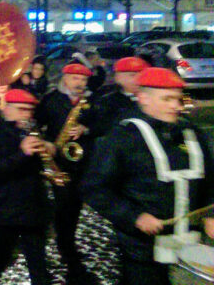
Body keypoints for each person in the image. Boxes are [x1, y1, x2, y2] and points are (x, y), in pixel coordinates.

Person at [83, 67, 214, 285]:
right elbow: (94, 188)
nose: (176, 106)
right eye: (167, 99)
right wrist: (134, 216)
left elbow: (209, 180)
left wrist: (210, 211)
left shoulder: (191, 133)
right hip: (141, 248)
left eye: (178, 99)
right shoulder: (122, 137)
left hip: (187, 241)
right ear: (143, 98)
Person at [0, 89, 52, 285]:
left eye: (29, 110)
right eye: (21, 110)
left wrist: (49, 150)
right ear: (7, 109)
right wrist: (22, 153)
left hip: (31, 208)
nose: (27, 115)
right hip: (2, 211)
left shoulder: (30, 129)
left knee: (39, 266)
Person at [35, 63, 98, 284]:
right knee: (64, 206)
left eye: (83, 80)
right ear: (65, 78)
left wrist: (86, 129)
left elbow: (102, 125)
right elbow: (35, 123)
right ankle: (67, 250)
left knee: (73, 207)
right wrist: (46, 144)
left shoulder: (91, 101)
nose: (79, 84)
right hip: (58, 163)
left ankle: (66, 240)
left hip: (82, 163)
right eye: (75, 79)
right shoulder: (51, 99)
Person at [93, 56, 150, 137]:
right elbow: (103, 128)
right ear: (118, 77)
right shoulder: (108, 101)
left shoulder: (153, 98)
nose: (138, 79)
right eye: (132, 75)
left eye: (141, 75)